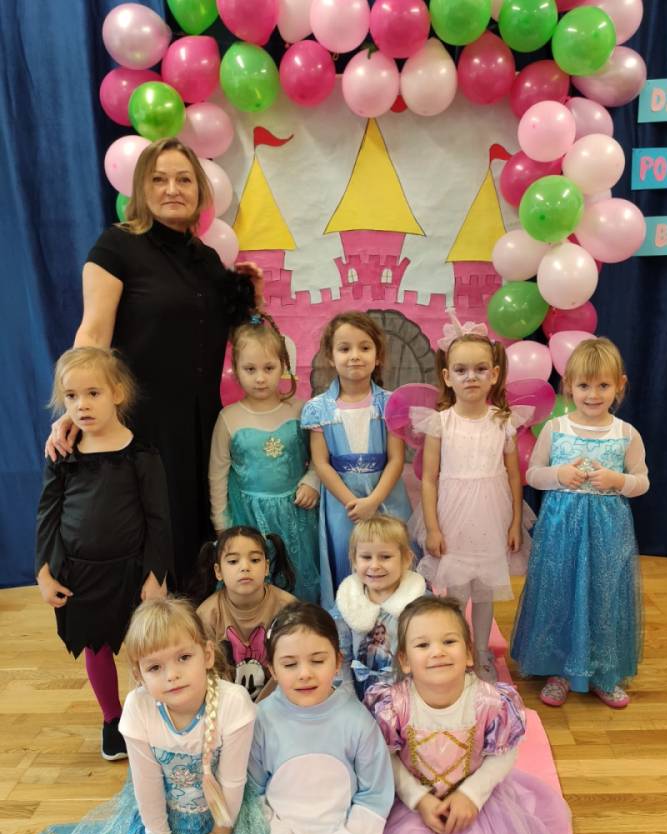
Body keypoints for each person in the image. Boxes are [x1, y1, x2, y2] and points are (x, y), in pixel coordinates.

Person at [0, 598, 267, 834]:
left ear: (206, 655)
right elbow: (146, 782)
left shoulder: (234, 704)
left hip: (223, 812)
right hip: (162, 810)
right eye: (155, 667)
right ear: (140, 675)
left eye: (183, 658)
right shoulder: (139, 708)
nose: (172, 675)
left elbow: (232, 781)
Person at [46, 137, 261, 587]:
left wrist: (246, 292)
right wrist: (74, 407)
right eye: (159, 179)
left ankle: (192, 626)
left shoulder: (207, 260)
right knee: (150, 538)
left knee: (194, 540)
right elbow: (92, 336)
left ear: (200, 190)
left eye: (184, 179)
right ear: (142, 189)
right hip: (143, 422)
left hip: (201, 423)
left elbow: (223, 334)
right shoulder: (116, 247)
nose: (172, 189)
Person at [365, 594, 571, 834]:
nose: (438, 652)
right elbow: (386, 759)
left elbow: (503, 753)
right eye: (423, 645)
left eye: (449, 641)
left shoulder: (490, 702)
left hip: (479, 802)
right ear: (404, 660)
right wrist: (419, 799)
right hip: (412, 803)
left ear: (469, 651)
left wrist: (471, 795)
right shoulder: (394, 705)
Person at [238, 603, 394, 834]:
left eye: (318, 660)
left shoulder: (357, 721)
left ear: (337, 661)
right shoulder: (260, 722)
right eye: (290, 664)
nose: (305, 674)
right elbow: (251, 796)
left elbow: (374, 797)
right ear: (271, 667)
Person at [36, 346, 171, 761]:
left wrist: (156, 575)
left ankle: (152, 713)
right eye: (71, 396)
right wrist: (43, 571)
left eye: (92, 393)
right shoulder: (63, 454)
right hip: (81, 575)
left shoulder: (141, 453)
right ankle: (113, 720)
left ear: (117, 394)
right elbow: (47, 512)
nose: (81, 405)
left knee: (145, 646)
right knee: (95, 647)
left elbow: (158, 518)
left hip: (131, 571)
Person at [511, 338, 649, 710]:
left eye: (603, 385)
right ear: (569, 385)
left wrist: (618, 481)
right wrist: (558, 474)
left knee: (603, 596)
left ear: (620, 385)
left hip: (608, 532)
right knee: (559, 593)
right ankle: (558, 669)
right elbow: (533, 474)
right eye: (584, 385)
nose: (593, 394)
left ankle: (603, 671)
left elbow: (642, 481)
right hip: (561, 531)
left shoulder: (626, 434)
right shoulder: (555, 429)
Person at [409, 314, 530, 679]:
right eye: (461, 370)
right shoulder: (440, 422)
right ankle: (458, 651)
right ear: (447, 377)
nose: (471, 377)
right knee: (457, 592)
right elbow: (429, 480)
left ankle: (481, 651)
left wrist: (515, 522)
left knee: (486, 590)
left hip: (491, 515)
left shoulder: (502, 421)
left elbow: (513, 475)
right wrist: (433, 528)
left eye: (480, 369)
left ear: (494, 374)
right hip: (453, 517)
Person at [301, 312, 412, 608]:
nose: (355, 356)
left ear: (378, 355)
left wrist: (373, 501)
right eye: (344, 348)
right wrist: (353, 503)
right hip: (342, 505)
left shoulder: (390, 403)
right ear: (330, 356)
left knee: (389, 557)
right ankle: (349, 625)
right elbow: (321, 463)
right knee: (347, 558)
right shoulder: (318, 408)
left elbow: (396, 459)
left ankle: (395, 621)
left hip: (385, 496)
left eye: (364, 347)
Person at [208, 315, 320, 603]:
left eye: (269, 368)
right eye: (250, 369)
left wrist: (312, 480)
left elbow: (320, 457)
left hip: (296, 514)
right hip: (249, 516)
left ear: (283, 366)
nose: (260, 378)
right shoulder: (228, 418)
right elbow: (217, 474)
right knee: (256, 579)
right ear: (236, 371)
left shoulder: (300, 410)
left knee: (299, 577)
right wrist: (221, 523)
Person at [193, 526, 296, 701]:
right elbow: (205, 672)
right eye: (233, 561)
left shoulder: (288, 608)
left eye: (254, 560)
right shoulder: (207, 614)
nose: (245, 567)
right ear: (218, 571)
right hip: (225, 702)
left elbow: (296, 662)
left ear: (266, 567)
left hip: (280, 699)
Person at [333, 515, 426, 698]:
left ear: (406, 559)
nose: (374, 565)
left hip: (410, 695)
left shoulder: (421, 603)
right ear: (354, 560)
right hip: (361, 695)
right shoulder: (347, 601)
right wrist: (348, 700)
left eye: (385, 557)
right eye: (366, 557)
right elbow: (341, 657)